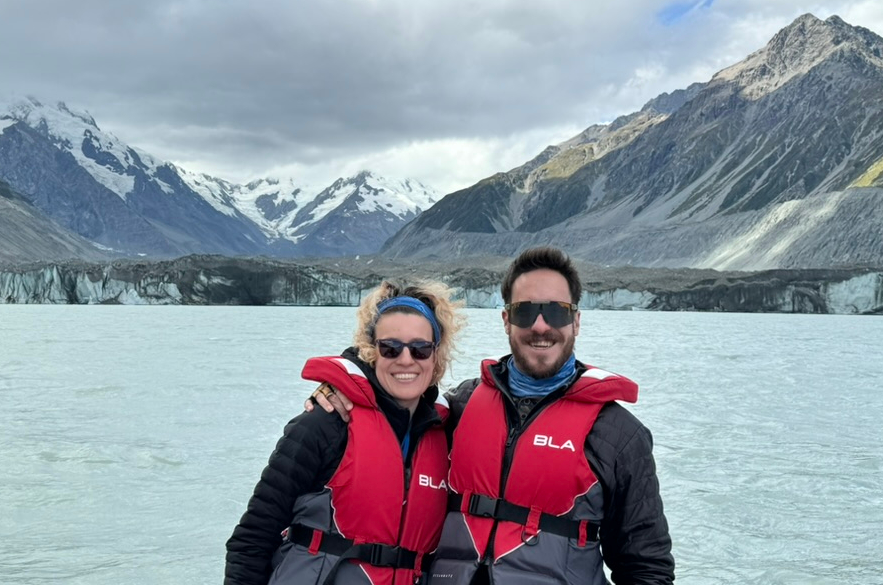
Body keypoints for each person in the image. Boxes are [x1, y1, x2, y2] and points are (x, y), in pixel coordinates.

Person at [311, 247, 674, 584]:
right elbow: (398, 396)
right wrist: (346, 382)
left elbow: (646, 567)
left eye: (557, 311)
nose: (541, 326)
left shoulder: (617, 435)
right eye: (525, 311)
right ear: (506, 320)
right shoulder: (462, 406)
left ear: (576, 321)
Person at [225, 280, 466, 585]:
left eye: (420, 349)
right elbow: (253, 538)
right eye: (390, 348)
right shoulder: (327, 422)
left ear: (436, 355)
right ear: (370, 351)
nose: (406, 360)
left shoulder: (448, 433)